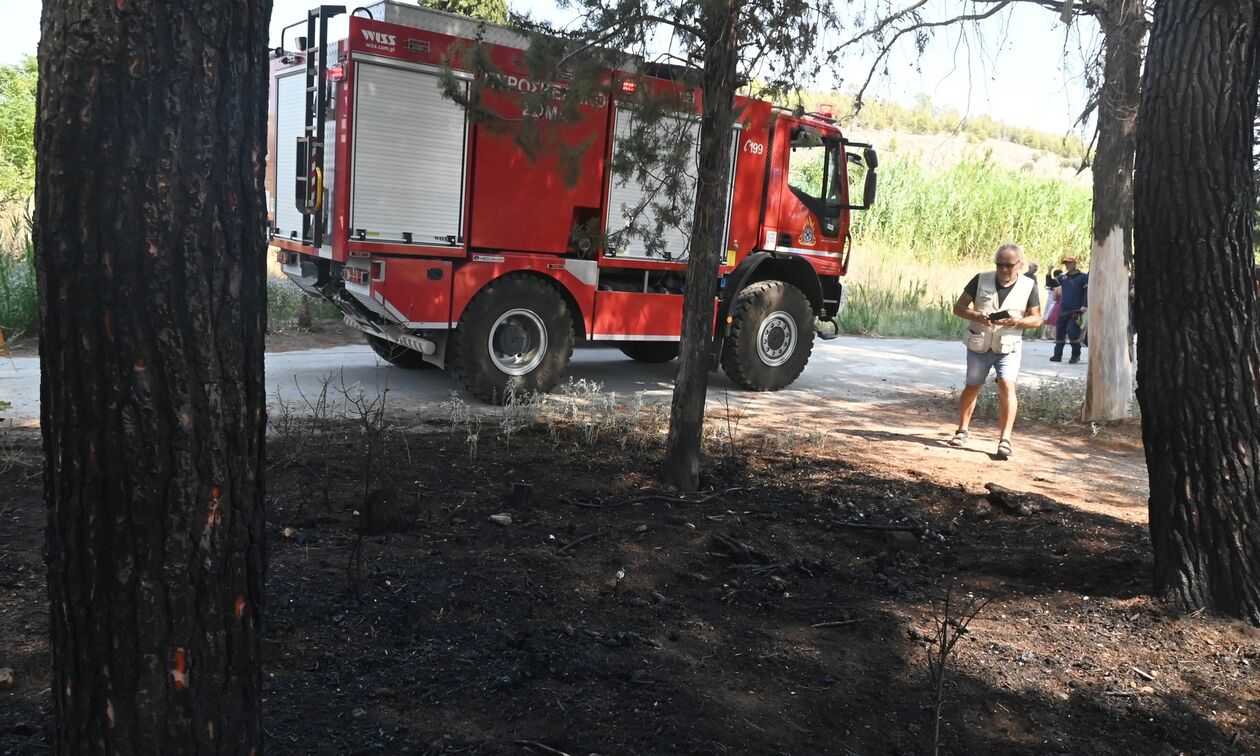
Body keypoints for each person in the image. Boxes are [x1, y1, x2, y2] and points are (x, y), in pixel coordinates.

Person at [949, 243, 1043, 459]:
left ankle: (1005, 440)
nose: (1003, 269)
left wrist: (1017, 322)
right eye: (999, 264)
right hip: (979, 342)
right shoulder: (980, 278)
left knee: (1007, 386)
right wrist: (975, 315)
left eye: (1008, 265)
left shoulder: (1028, 285)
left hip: (1008, 345)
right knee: (972, 386)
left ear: (1019, 264)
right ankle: (962, 430)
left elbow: (1036, 319)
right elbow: (959, 307)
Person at [1051, 255, 1088, 363]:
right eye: (1066, 263)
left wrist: (1084, 305)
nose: (1067, 265)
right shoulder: (1063, 278)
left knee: (1073, 332)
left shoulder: (1083, 277)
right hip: (1063, 309)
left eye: (1069, 263)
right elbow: (1050, 283)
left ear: (1075, 264)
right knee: (1060, 332)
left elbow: (1087, 292)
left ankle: (1075, 355)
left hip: (1076, 310)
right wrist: (1049, 272)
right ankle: (1057, 355)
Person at [1042, 267, 1062, 340]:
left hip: (1057, 301)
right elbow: (1048, 279)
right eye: (1060, 275)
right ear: (1056, 276)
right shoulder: (1053, 281)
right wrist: (1049, 270)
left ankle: (1051, 334)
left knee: (1053, 318)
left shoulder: (1061, 282)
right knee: (1046, 316)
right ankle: (1043, 334)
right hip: (1050, 301)